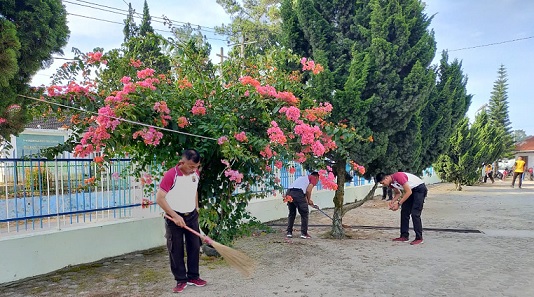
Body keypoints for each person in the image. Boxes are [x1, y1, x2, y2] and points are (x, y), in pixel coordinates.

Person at [156, 149, 207, 293]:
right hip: (174, 217)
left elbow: (194, 189)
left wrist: (196, 207)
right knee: (176, 249)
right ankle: (181, 279)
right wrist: (175, 216)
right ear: (181, 163)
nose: (194, 169)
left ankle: (193, 277)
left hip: (191, 215)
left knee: (194, 246)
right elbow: (160, 198)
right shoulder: (171, 175)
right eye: (191, 166)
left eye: (196, 166)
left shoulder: (195, 173)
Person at [376, 172, 428, 245]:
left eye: (383, 183)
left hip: (419, 189)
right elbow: (398, 193)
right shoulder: (391, 183)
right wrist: (392, 202)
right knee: (404, 212)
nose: (383, 185)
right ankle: (404, 236)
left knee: (415, 214)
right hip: (411, 190)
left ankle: (419, 238)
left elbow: (408, 192)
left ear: (386, 178)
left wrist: (399, 203)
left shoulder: (398, 176)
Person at [286, 172, 319, 239]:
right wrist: (309, 200)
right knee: (304, 213)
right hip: (298, 193)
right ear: (316, 177)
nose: (317, 181)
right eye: (318, 179)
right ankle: (304, 233)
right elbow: (308, 191)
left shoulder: (302, 178)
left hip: (289, 192)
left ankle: (289, 232)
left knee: (292, 213)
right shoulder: (313, 178)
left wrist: (309, 202)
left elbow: (304, 193)